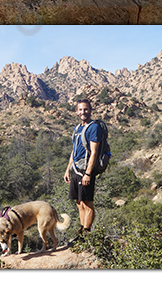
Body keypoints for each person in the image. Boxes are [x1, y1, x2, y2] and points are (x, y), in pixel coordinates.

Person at [64, 99, 100, 239]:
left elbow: (94, 152)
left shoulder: (94, 127)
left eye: (85, 109)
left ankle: (87, 233)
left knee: (87, 202)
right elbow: (74, 150)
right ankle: (82, 230)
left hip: (85, 170)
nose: (83, 112)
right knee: (79, 202)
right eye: (80, 109)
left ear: (90, 110)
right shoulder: (77, 128)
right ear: (76, 111)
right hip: (75, 169)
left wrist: (88, 173)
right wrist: (68, 169)